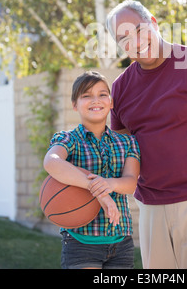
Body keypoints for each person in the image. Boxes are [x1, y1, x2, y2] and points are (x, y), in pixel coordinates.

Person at [106, 0, 187, 269]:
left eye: (138, 29)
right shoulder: (120, 88)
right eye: (123, 38)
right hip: (151, 207)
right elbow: (121, 150)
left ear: (154, 23)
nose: (134, 41)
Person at [43, 70, 140, 270]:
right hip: (81, 242)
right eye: (86, 95)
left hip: (121, 241)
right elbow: (52, 162)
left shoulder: (127, 142)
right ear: (75, 105)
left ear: (111, 102)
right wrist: (97, 190)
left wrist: (108, 184)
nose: (95, 100)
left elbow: (131, 183)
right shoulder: (68, 139)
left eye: (102, 94)